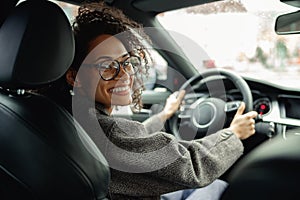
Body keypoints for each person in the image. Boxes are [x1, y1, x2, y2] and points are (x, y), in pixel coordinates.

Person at [45, 2, 258, 199]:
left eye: (127, 62)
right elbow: (191, 167)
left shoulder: (59, 112)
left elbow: (130, 144)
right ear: (75, 77)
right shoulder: (105, 132)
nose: (124, 74)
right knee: (217, 187)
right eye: (106, 65)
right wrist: (233, 135)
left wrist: (164, 115)